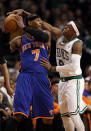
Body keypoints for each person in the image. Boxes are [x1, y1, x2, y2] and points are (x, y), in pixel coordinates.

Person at [3, 14, 54, 131]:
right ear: (30, 22)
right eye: (37, 20)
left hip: (41, 77)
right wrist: (6, 31)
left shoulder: (46, 34)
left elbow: (44, 38)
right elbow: (5, 49)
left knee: (47, 118)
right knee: (18, 115)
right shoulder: (19, 40)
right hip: (25, 77)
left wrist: (23, 27)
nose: (41, 22)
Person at [40, 20, 87, 131]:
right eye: (65, 26)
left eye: (68, 27)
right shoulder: (59, 37)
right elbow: (49, 26)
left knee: (74, 114)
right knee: (65, 116)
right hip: (63, 80)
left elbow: (74, 67)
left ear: (74, 32)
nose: (64, 27)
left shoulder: (77, 43)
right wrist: (26, 14)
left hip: (74, 80)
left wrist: (53, 68)